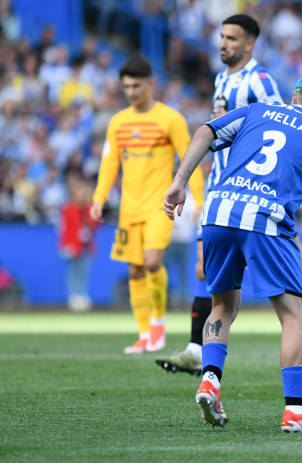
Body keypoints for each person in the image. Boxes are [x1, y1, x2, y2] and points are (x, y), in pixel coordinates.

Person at [164, 74, 302, 433]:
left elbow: (205, 132)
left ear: (293, 96)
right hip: (266, 219)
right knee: (293, 315)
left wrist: (178, 182)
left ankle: (209, 381)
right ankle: (295, 412)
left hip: (218, 212)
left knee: (221, 306)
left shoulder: (255, 111)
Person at [157, 14, 302, 377]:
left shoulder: (261, 83)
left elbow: (285, 126)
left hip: (265, 194)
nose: (223, 43)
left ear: (249, 44)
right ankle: (199, 350)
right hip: (225, 189)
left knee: (298, 267)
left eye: (231, 37)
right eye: (221, 35)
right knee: (206, 270)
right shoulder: (220, 78)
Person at [90, 55, 205, 354]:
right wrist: (99, 198)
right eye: (126, 86)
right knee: (135, 271)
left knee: (152, 261)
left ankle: (158, 325)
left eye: (136, 85)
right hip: (129, 209)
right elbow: (109, 164)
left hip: (159, 206)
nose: (131, 92)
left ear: (150, 84)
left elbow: (189, 158)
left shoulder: (170, 119)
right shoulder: (118, 122)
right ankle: (144, 333)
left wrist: (198, 200)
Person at [59, 174, 99, 311]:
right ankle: (73, 296)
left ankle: (82, 295)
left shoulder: (89, 208)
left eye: (84, 191)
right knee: (73, 272)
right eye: (79, 191)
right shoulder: (68, 208)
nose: (81, 194)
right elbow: (64, 228)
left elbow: (95, 224)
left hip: (86, 246)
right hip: (73, 245)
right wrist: (65, 245)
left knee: (84, 271)